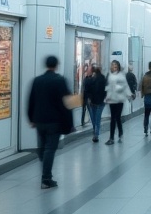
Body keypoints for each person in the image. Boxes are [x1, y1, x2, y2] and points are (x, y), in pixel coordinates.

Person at [27, 54, 73, 188]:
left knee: (43, 147)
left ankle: (44, 165)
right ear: (56, 65)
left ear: (46, 65)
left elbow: (31, 100)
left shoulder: (37, 80)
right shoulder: (60, 81)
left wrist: (31, 118)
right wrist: (69, 124)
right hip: (54, 121)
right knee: (50, 149)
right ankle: (46, 178)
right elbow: (66, 103)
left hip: (39, 120)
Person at [105, 60, 131, 144]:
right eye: (112, 65)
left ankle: (120, 133)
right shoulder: (109, 75)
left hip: (119, 100)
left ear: (118, 66)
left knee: (117, 117)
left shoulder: (121, 76)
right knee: (113, 118)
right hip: (112, 100)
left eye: (115, 65)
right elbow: (108, 87)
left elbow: (125, 86)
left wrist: (129, 95)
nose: (114, 66)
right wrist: (107, 97)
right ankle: (111, 137)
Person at [82, 63, 107, 142]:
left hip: (93, 102)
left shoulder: (90, 79)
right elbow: (105, 90)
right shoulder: (102, 78)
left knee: (94, 118)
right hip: (99, 101)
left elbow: (87, 89)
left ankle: (95, 133)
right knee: (97, 118)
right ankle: (96, 133)